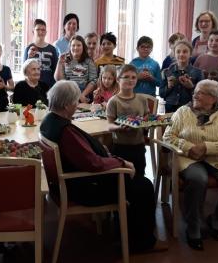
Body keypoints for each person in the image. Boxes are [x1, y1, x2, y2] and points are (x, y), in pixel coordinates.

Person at [40, 81, 162, 252]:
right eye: (75, 102)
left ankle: (125, 231)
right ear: (67, 105)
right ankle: (142, 242)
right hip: (84, 189)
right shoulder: (65, 131)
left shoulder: (49, 121)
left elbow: (84, 156)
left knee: (136, 185)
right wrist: (121, 162)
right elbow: (94, 163)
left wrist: (99, 150)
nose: (77, 105)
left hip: (68, 185)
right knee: (144, 187)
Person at [163, 80, 218, 251]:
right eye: (196, 91)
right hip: (189, 158)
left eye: (201, 92)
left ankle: (216, 218)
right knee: (197, 179)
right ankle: (193, 225)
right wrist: (189, 147)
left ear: (213, 98)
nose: (195, 95)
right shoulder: (182, 112)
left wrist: (206, 147)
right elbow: (168, 136)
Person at [106, 65, 151, 178]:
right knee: (122, 178)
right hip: (120, 147)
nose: (130, 80)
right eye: (126, 77)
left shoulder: (142, 99)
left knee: (139, 175)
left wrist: (147, 123)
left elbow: (147, 117)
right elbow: (110, 126)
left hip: (139, 145)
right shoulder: (113, 101)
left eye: (133, 77)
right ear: (118, 79)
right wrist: (119, 127)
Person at [161, 40, 203, 113]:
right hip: (170, 109)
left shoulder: (198, 73)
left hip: (189, 109)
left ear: (190, 54)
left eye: (185, 51)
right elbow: (161, 94)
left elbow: (202, 96)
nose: (181, 54)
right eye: (178, 51)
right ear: (174, 54)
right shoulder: (166, 71)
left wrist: (191, 87)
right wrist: (169, 87)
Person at [54, 35, 97, 103]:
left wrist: (82, 95)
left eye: (78, 45)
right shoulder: (65, 59)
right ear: (70, 47)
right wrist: (59, 63)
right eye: (73, 45)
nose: (76, 48)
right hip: (67, 94)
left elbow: (94, 81)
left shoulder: (89, 61)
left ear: (83, 47)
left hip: (83, 95)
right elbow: (59, 80)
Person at [23, 19, 58, 87]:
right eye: (38, 29)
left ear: (46, 32)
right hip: (32, 85)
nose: (40, 32)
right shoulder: (28, 48)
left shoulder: (52, 49)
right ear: (33, 31)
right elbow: (24, 71)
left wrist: (53, 85)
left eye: (43, 30)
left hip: (48, 86)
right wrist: (29, 57)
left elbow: (55, 70)